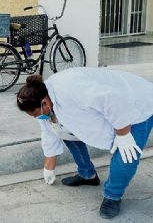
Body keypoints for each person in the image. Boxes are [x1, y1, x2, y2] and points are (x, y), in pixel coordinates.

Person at [16, 67, 153, 219]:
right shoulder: (43, 96)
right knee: (64, 131)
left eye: (35, 113)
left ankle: (113, 195)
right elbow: (50, 131)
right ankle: (88, 175)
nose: (37, 118)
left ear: (44, 102)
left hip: (136, 104)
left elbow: (113, 99)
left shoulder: (71, 88)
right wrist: (49, 167)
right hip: (114, 106)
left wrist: (123, 133)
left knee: (127, 155)